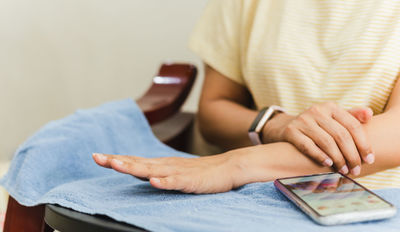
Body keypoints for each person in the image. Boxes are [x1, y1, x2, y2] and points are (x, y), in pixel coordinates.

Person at [94, 0, 400, 193]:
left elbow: (394, 135)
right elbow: (213, 111)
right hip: (258, 198)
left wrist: (236, 165)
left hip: (381, 206)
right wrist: (276, 124)